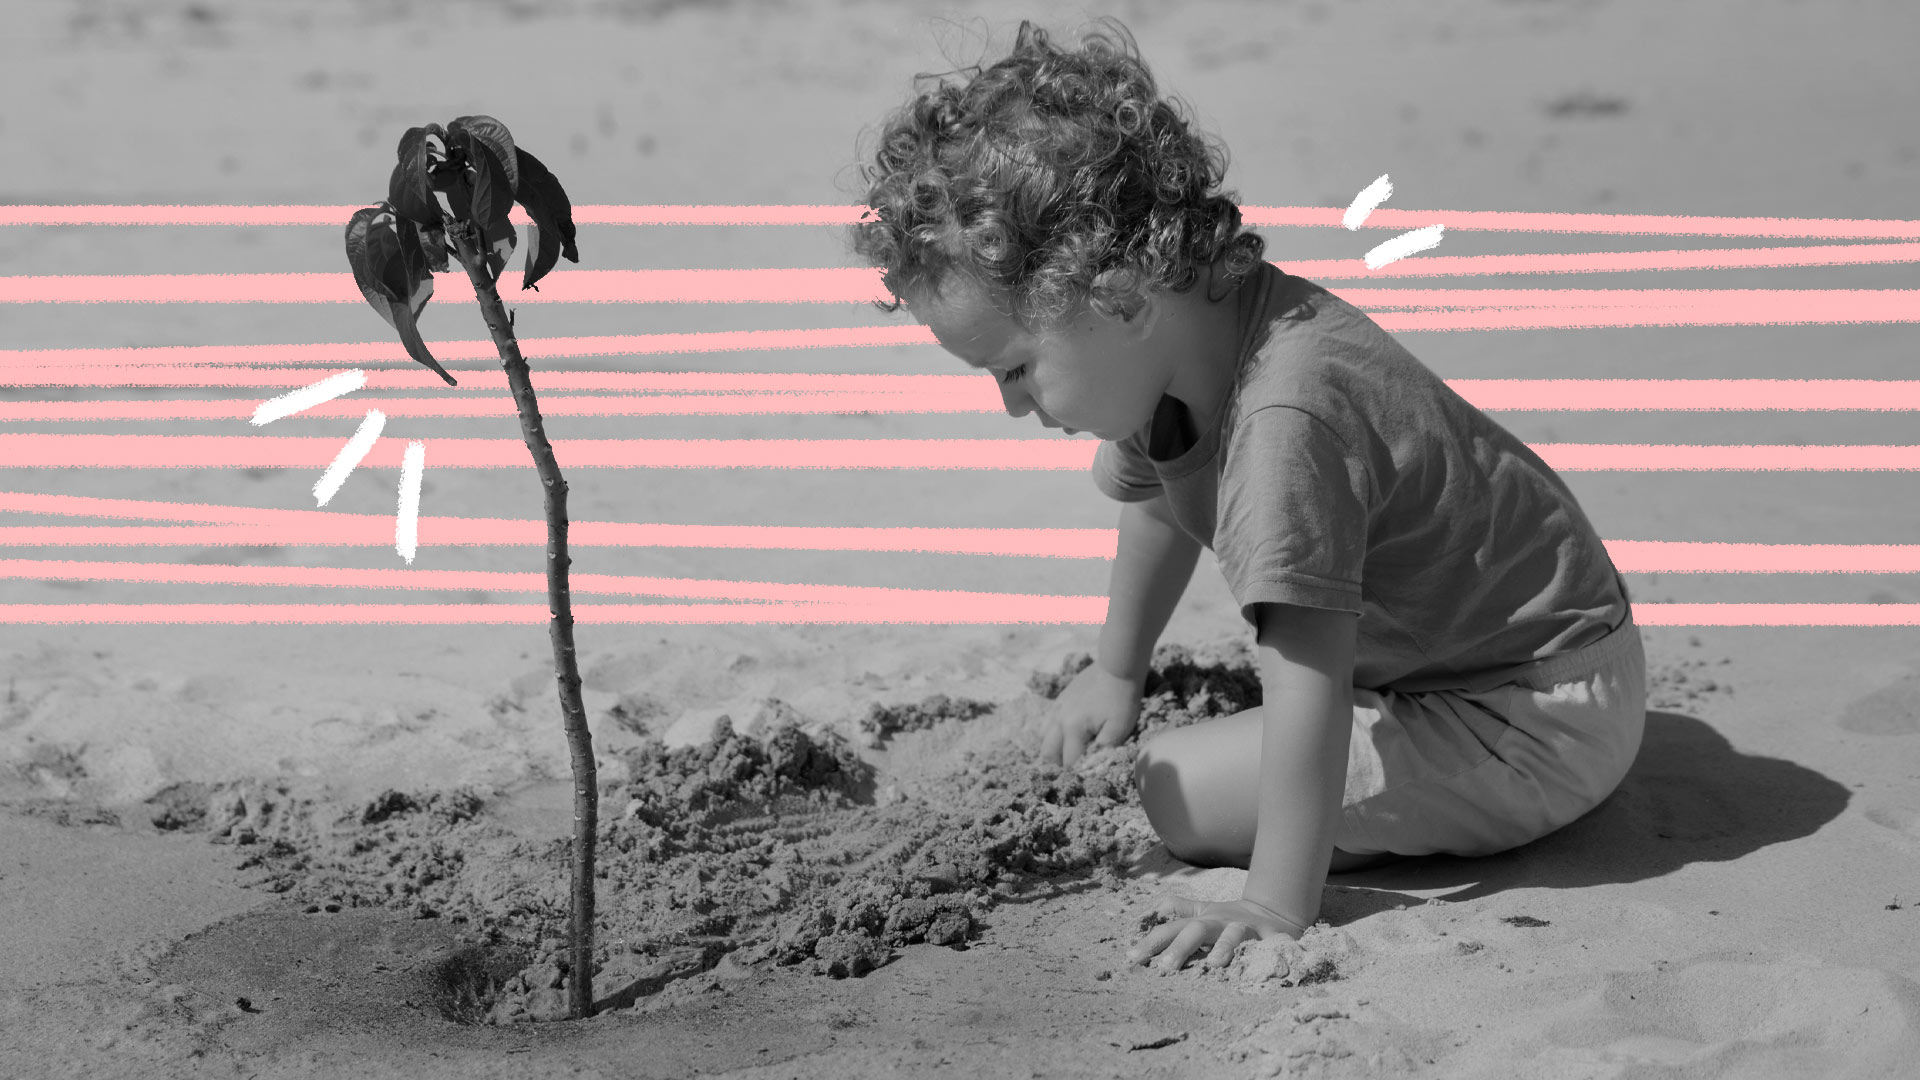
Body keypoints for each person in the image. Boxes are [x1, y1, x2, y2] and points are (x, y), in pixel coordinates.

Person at [848, 18, 1645, 973]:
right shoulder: (1183, 345)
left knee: (1175, 792)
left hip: (1536, 714)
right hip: (1465, 663)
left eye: (1015, 369)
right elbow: (1155, 500)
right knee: (1194, 763)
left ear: (1122, 299)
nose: (1015, 408)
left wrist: (1274, 902)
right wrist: (1117, 668)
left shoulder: (1284, 422)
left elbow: (1309, 669)